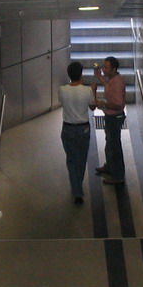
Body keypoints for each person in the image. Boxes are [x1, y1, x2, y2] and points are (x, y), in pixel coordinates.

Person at [58, 61, 96, 204]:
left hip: (68, 128)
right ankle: (77, 186)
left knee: (72, 160)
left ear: (69, 75)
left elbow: (62, 102)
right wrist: (94, 91)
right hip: (84, 128)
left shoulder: (62, 90)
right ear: (81, 74)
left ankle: (77, 190)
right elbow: (93, 108)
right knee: (82, 158)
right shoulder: (87, 91)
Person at [93, 56, 126, 185]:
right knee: (110, 143)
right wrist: (99, 76)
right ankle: (110, 166)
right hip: (110, 116)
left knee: (114, 146)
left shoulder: (117, 83)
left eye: (106, 68)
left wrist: (104, 104)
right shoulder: (113, 79)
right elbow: (107, 85)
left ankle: (118, 175)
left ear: (114, 68)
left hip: (114, 117)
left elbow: (118, 104)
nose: (103, 69)